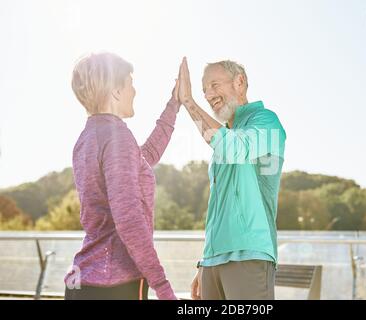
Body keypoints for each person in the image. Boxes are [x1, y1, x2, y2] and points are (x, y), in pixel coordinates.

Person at [64, 52, 179, 300]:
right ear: (116, 91)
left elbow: (144, 159)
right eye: (130, 83)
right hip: (115, 285)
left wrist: (174, 105)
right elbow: (128, 219)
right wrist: (162, 285)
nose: (134, 91)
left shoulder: (86, 138)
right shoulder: (117, 137)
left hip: (81, 282)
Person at [177, 57, 286, 300]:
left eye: (215, 85)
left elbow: (234, 148)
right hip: (214, 260)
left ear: (240, 82)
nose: (208, 94)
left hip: (250, 255)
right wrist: (205, 261)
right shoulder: (226, 134)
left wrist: (188, 102)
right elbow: (220, 208)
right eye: (204, 89)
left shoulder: (266, 122)